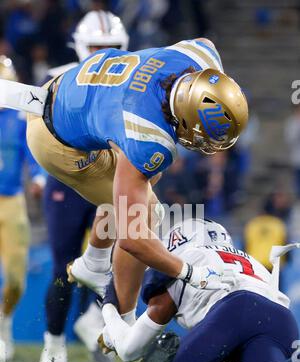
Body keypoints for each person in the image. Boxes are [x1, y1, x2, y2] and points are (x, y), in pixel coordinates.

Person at [25, 36, 248, 323]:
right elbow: (132, 239)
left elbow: (205, 43)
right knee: (147, 214)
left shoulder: (200, 54)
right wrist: (189, 272)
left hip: (67, 90)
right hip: (56, 140)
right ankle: (123, 321)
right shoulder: (148, 137)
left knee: (139, 183)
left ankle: (93, 262)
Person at [100, 218, 300, 362]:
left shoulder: (180, 263)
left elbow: (131, 349)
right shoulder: (253, 262)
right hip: (282, 322)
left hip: (234, 312)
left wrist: (109, 307)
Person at [39, 9, 129, 362]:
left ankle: (94, 325)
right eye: (94, 45)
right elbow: (33, 132)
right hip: (65, 181)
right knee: (64, 265)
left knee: (116, 260)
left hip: (108, 180)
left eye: (108, 46)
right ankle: (54, 343)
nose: (100, 53)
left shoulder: (130, 81)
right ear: (78, 44)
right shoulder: (55, 79)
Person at [0, 56, 45, 362]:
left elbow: (31, 150)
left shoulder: (17, 119)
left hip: (12, 199)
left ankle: (3, 322)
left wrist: (40, 176)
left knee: (16, 278)